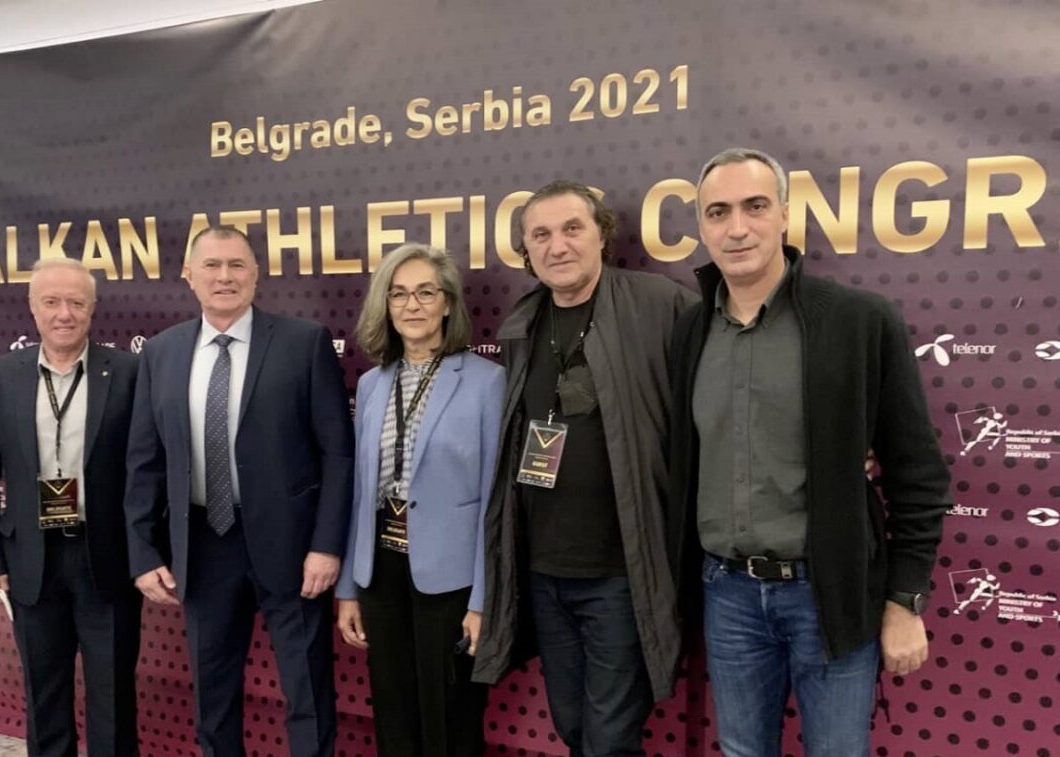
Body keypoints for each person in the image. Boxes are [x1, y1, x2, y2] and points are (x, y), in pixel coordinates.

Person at [667, 147, 950, 756]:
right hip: (726, 593)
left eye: (755, 206)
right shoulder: (689, 331)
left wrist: (905, 600)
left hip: (828, 593)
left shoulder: (858, 321)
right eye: (718, 212)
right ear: (702, 228)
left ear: (785, 215)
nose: (737, 228)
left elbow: (918, 475)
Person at [473, 181, 697, 755]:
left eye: (572, 228)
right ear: (526, 250)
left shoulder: (659, 304)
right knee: (572, 725)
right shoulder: (523, 324)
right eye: (541, 235)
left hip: (620, 574)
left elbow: (722, 392)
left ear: (602, 234)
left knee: (609, 738)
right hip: (545, 573)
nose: (558, 246)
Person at [124, 226, 353, 757]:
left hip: (293, 547)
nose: (224, 276)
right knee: (214, 693)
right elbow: (144, 461)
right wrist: (142, 551)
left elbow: (337, 454)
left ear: (256, 274)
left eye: (236, 265)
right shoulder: (161, 352)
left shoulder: (304, 342)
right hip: (204, 544)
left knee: (307, 690)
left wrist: (326, 545)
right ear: (189, 275)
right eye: (211, 265)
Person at [0, 257, 142, 757]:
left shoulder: (128, 372)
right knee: (44, 696)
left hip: (107, 559)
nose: (64, 313)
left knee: (113, 696)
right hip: (30, 560)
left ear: (92, 308)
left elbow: (148, 471)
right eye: (51, 302)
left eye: (76, 303)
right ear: (32, 308)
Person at [335, 243, 504, 756]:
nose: (412, 305)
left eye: (426, 293)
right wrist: (349, 588)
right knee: (394, 714)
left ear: (447, 303)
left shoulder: (486, 381)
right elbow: (360, 493)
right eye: (399, 294)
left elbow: (495, 500)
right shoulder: (372, 383)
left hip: (451, 580)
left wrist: (482, 601)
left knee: (451, 718)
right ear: (385, 305)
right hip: (381, 573)